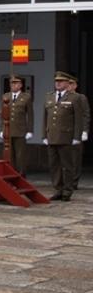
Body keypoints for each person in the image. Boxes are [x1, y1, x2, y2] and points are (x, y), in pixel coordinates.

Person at [44, 71, 85, 201]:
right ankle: (58, 189)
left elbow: (78, 118)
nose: (58, 83)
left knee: (67, 165)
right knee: (54, 165)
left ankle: (67, 190)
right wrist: (44, 134)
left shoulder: (75, 98)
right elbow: (45, 117)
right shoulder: (49, 96)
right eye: (56, 81)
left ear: (68, 83)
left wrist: (77, 136)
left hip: (66, 136)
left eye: (61, 81)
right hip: (52, 136)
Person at [1, 76, 34, 176]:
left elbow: (30, 115)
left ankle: (21, 176)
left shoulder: (26, 97)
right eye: (12, 83)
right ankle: (11, 175)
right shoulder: (6, 96)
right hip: (8, 129)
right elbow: (3, 114)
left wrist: (30, 130)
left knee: (20, 156)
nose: (13, 85)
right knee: (10, 156)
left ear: (21, 85)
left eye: (16, 83)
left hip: (20, 130)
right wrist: (1, 129)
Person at [67, 75, 90, 191]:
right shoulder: (62, 97)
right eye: (68, 83)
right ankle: (65, 181)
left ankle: (74, 181)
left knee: (75, 158)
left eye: (71, 84)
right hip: (64, 132)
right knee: (65, 158)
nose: (69, 86)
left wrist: (85, 131)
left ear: (75, 86)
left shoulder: (81, 97)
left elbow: (85, 115)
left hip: (77, 132)